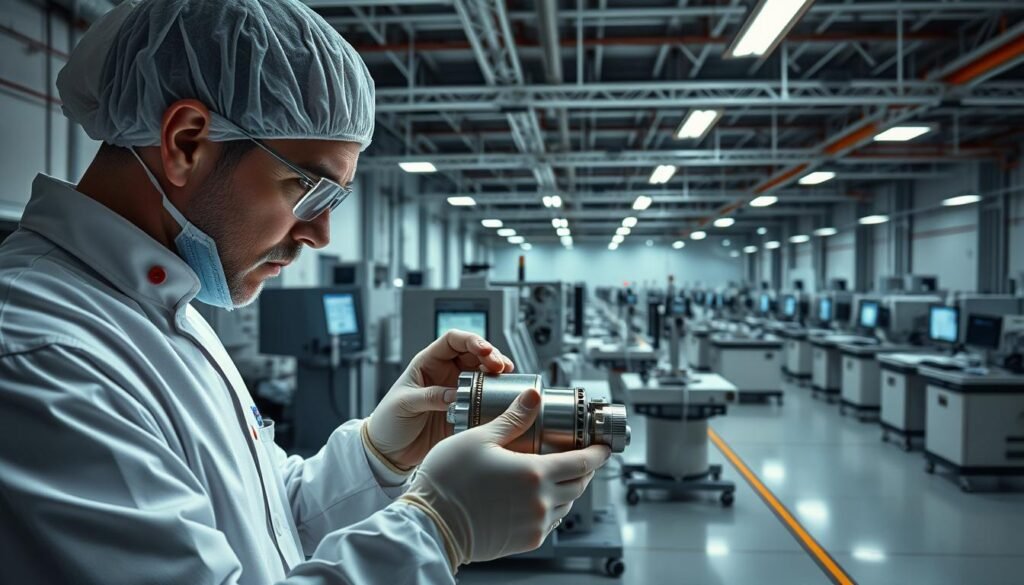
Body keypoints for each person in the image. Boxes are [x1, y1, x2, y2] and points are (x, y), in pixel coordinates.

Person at [0, 1, 609, 582]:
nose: (320, 234)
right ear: (186, 141)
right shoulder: (42, 355)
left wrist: (377, 455)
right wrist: (437, 528)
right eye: (306, 188)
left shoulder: (165, 312)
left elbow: (265, 526)